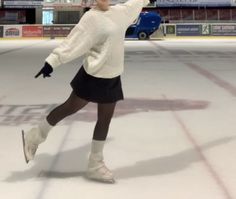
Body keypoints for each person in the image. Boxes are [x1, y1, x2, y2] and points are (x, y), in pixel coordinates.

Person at [22, 0, 154, 184]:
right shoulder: (91, 18)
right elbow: (73, 42)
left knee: (104, 119)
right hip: (94, 74)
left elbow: (136, 2)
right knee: (70, 107)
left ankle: (95, 165)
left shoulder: (120, 12)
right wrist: (52, 61)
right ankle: (35, 136)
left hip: (113, 75)